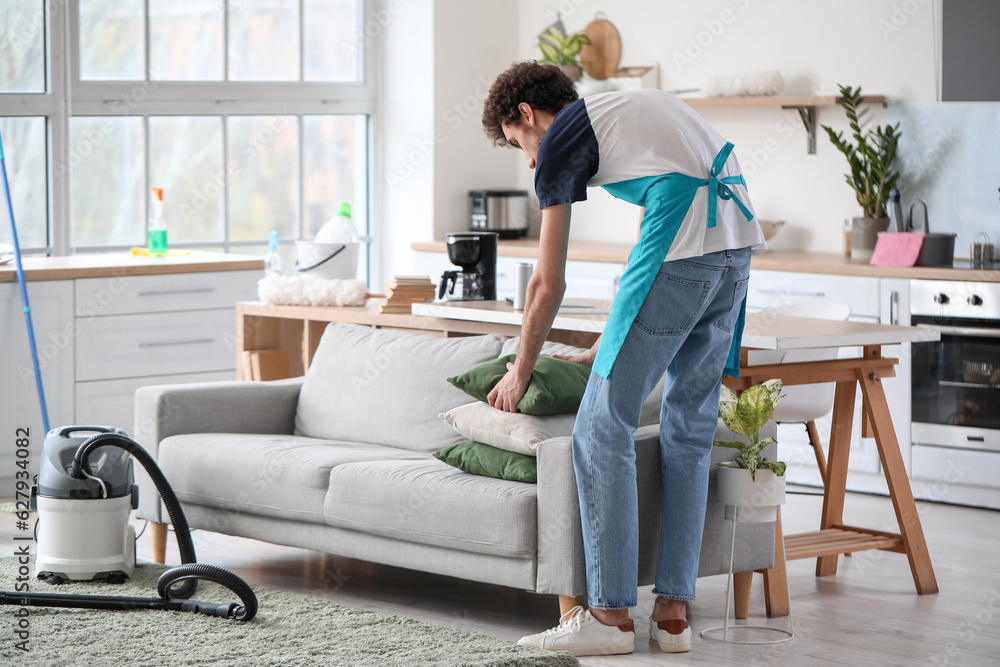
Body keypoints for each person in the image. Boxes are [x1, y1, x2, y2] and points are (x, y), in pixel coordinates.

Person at [480, 61, 766, 657]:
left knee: (599, 426)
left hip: (684, 250)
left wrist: (520, 369)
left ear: (528, 116)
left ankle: (608, 619)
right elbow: (657, 215)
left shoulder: (561, 139)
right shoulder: (628, 108)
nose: (532, 161)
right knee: (688, 429)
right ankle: (673, 617)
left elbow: (545, 284)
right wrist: (615, 339)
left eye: (519, 143)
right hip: (736, 249)